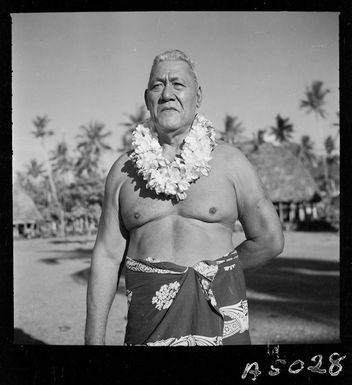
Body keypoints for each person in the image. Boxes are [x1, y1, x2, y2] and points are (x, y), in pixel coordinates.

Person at [85, 49, 284, 346]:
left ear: (198, 96)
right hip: (148, 324)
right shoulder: (123, 172)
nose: (167, 94)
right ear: (147, 98)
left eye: (178, 84)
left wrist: (217, 273)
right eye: (157, 85)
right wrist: (93, 340)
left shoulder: (231, 163)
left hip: (221, 320)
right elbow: (107, 256)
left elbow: (270, 239)